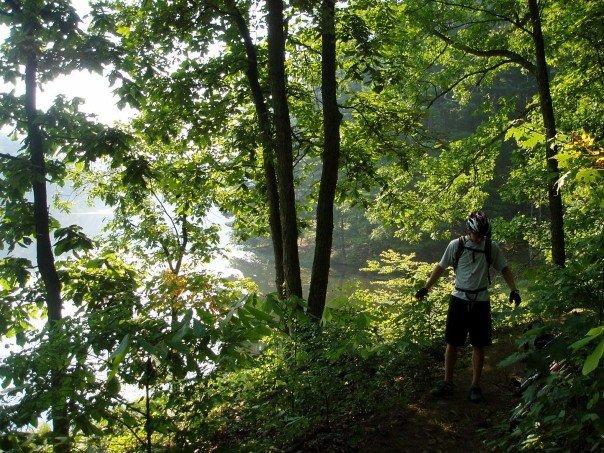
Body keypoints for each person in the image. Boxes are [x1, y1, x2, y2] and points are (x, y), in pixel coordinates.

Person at [415, 211, 521, 403]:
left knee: (479, 344)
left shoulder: (491, 247)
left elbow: (504, 268)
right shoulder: (456, 245)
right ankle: (447, 382)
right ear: (468, 231)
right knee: (452, 343)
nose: (480, 239)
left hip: (481, 300)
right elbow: (440, 267)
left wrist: (514, 289)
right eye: (476, 235)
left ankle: (475, 385)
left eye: (483, 235)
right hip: (459, 299)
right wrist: (426, 288)